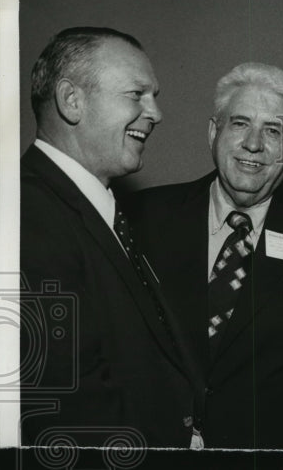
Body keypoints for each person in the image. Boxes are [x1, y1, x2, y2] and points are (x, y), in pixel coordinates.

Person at [123, 63, 283, 449]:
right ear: (214, 132)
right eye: (240, 124)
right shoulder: (143, 217)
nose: (254, 144)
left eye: (274, 131)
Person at [20, 27, 203, 447]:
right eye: (136, 94)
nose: (155, 113)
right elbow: (61, 411)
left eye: (153, 96)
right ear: (72, 101)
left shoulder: (101, 212)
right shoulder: (29, 214)